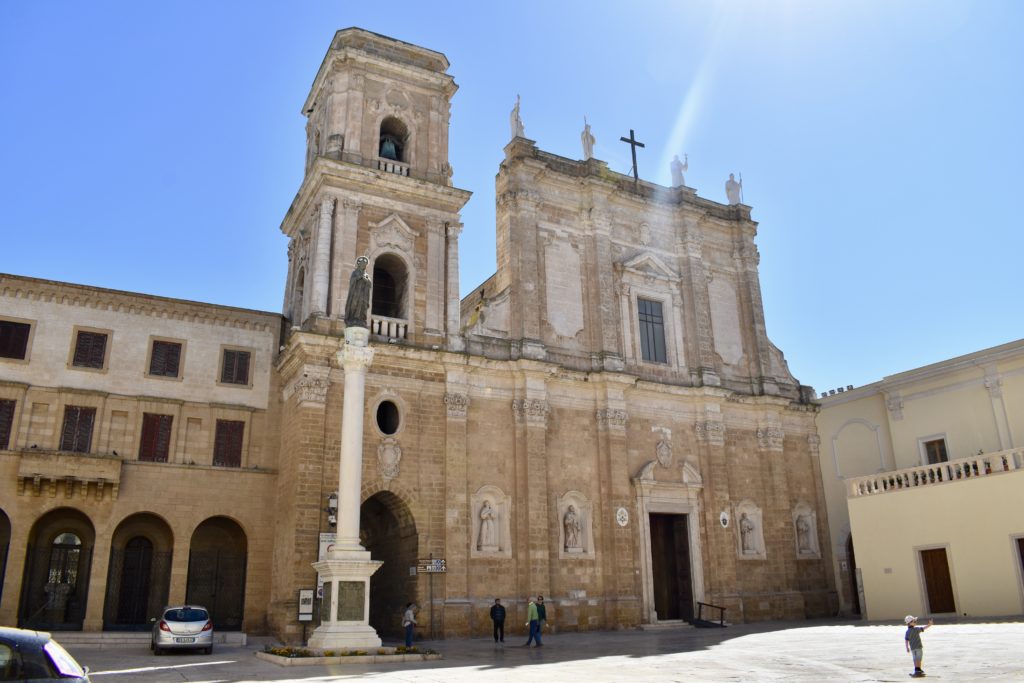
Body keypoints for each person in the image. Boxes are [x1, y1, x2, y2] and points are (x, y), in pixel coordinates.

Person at [344, 256, 372, 327]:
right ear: (359, 265)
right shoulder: (355, 272)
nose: (363, 266)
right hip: (355, 293)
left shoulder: (366, 275)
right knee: (354, 304)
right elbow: (352, 281)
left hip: (363, 294)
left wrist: (366, 280)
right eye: (362, 265)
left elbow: (369, 283)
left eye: (364, 265)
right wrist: (359, 277)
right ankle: (352, 317)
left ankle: (359, 318)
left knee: (362, 305)